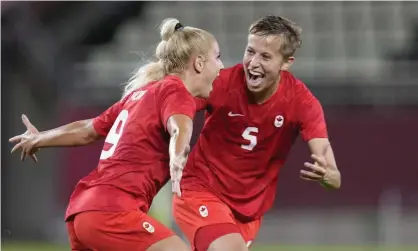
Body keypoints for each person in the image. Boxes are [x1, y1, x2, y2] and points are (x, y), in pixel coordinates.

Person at [9, 18, 223, 251]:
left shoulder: (141, 94)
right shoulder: (176, 92)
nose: (221, 66)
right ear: (200, 63)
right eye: (217, 57)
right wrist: (178, 153)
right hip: (113, 212)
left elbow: (87, 130)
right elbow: (179, 126)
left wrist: (40, 137)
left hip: (84, 212)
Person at [172, 15, 342, 251]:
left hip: (248, 213)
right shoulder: (221, 83)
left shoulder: (302, 103)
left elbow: (334, 177)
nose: (253, 63)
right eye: (250, 51)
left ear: (286, 63)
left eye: (265, 56)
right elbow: (176, 102)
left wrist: (327, 176)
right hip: (201, 190)